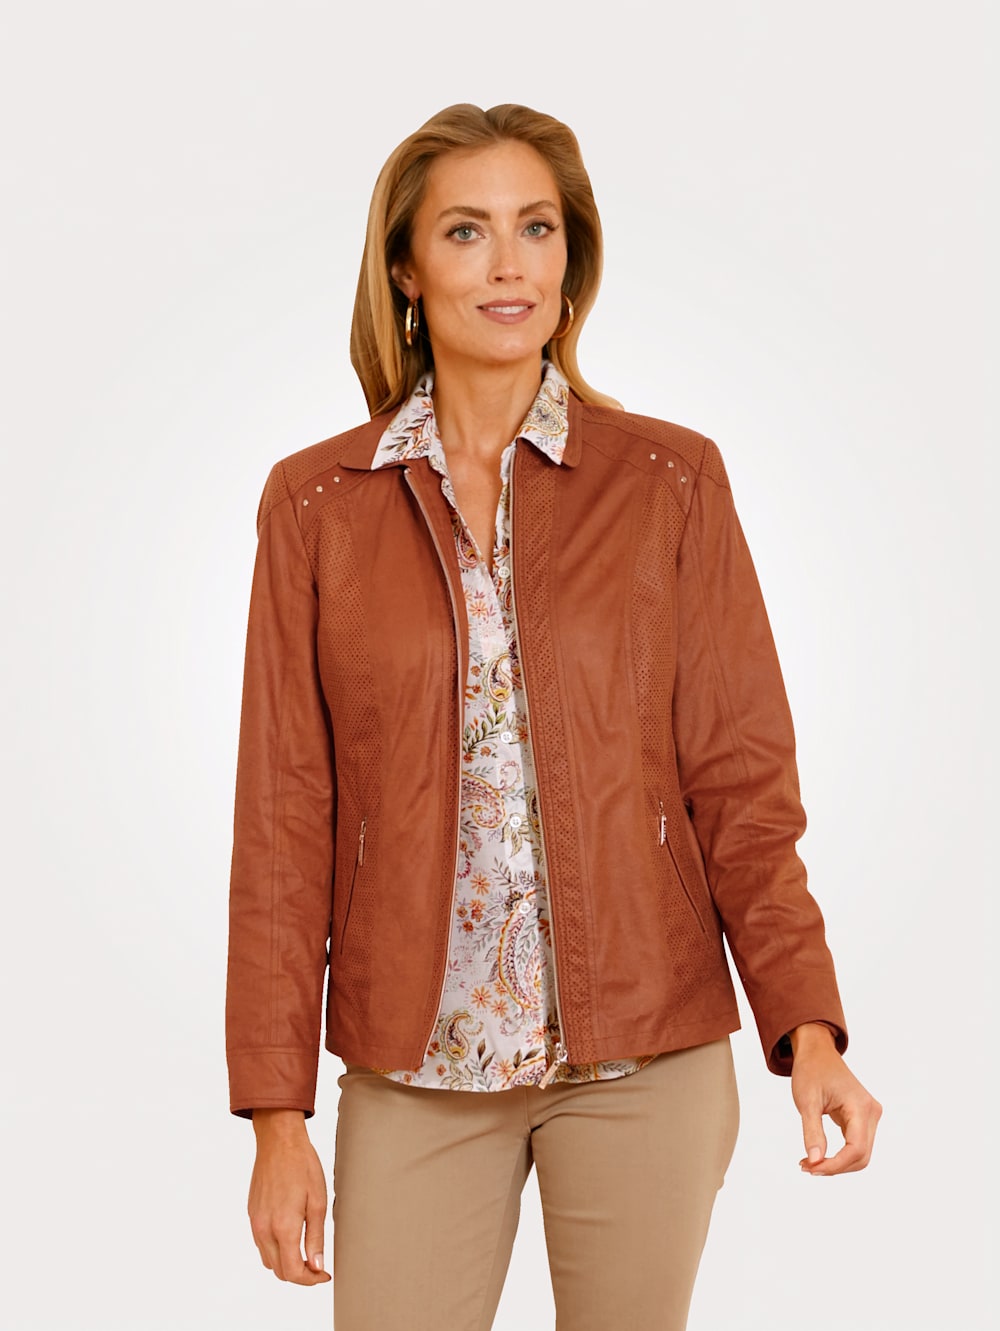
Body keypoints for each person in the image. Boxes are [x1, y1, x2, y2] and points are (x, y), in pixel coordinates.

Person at [225, 102, 882, 1331]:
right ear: (405, 269)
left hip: (647, 1052)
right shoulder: (315, 504)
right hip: (414, 1063)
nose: (508, 263)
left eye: (536, 227)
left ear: (570, 259)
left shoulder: (669, 480)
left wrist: (807, 1023)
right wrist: (276, 1114)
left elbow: (739, 778)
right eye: (465, 231)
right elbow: (282, 819)